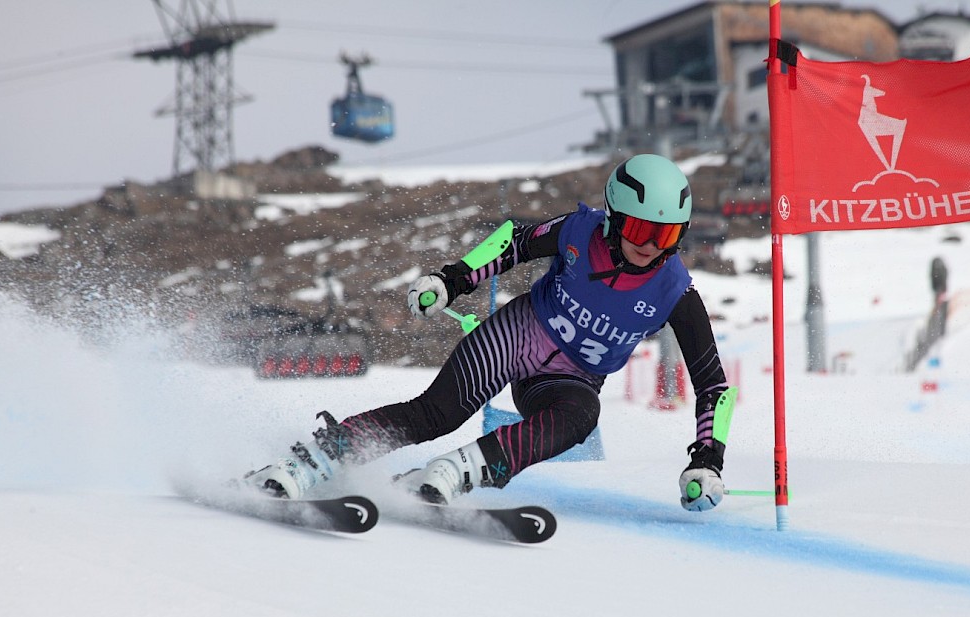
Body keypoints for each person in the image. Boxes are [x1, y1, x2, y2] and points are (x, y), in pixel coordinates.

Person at [244, 154, 731, 512]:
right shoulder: (580, 231)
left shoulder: (675, 290)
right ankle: (313, 460)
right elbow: (514, 243)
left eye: (668, 235)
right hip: (518, 336)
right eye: (642, 231)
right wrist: (451, 281)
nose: (652, 246)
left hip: (569, 380)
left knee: (582, 417)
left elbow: (714, 386)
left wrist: (708, 460)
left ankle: (455, 472)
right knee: (437, 413)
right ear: (615, 217)